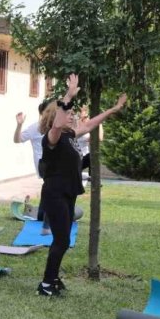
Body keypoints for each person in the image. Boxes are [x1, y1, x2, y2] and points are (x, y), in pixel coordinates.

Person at [35, 73, 126, 297]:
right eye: (68, 114)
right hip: (55, 194)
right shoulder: (52, 137)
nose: (72, 116)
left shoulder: (70, 136)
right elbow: (57, 123)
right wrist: (68, 95)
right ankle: (46, 284)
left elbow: (91, 124)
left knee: (63, 240)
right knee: (62, 239)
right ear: (57, 116)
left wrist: (113, 109)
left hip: (68, 193)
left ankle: (53, 278)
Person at [14, 100, 54, 233]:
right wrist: (19, 125)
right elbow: (17, 139)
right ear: (43, 112)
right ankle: (46, 223)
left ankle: (42, 215)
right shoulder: (35, 127)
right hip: (43, 164)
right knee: (52, 188)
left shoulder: (56, 126)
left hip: (55, 162)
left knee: (50, 188)